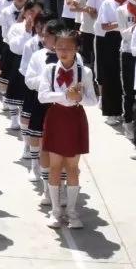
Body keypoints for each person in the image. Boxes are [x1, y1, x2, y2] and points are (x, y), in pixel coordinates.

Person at [39, 29, 97, 229]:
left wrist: (78, 98)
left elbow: (93, 100)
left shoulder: (85, 72)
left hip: (75, 119)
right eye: (59, 47)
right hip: (56, 117)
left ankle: (72, 212)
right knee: (55, 166)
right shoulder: (49, 70)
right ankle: (55, 212)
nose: (63, 51)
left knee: (72, 167)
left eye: (68, 48)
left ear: (76, 49)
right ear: (54, 47)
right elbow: (42, 96)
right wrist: (65, 95)